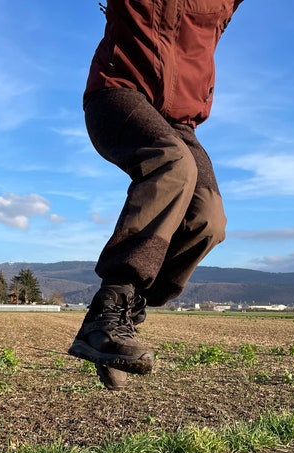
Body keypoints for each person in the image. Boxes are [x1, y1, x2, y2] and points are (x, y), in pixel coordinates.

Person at [69, 0, 243, 390]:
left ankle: (122, 319)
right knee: (173, 166)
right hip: (118, 94)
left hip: (181, 122)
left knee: (208, 220)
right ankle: (108, 310)